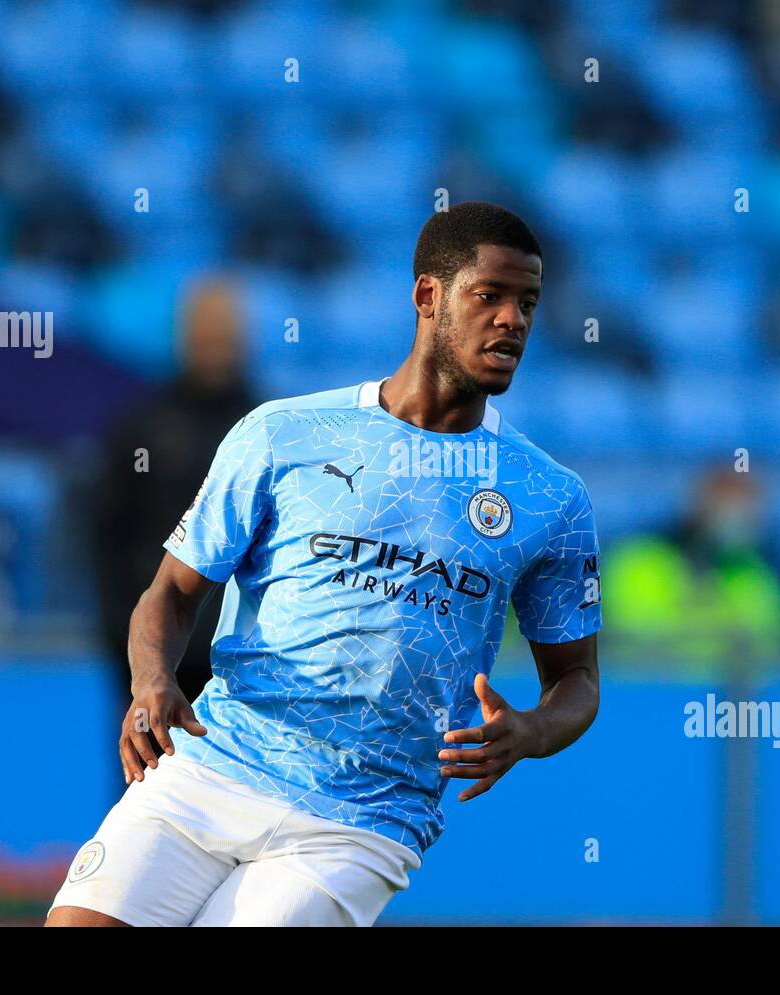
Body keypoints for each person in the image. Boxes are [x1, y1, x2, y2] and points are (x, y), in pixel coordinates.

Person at [47, 202, 602, 927]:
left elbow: (578, 680)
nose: (513, 320)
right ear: (428, 297)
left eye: (527, 302)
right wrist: (152, 680)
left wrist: (528, 732)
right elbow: (171, 593)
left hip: (362, 818)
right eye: (489, 296)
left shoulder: (548, 497)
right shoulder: (284, 434)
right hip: (216, 760)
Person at [92, 277, 258, 706]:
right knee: (149, 771)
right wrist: (122, 633)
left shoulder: (269, 428)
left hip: (237, 659)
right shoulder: (143, 425)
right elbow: (107, 532)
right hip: (155, 649)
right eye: (207, 334)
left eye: (226, 335)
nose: (216, 346)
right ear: (184, 337)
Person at [603, 470, 780, 661]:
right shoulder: (639, 560)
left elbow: (768, 646)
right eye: (726, 507)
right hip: (648, 686)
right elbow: (637, 639)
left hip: (724, 688)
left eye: (748, 511)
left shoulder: (754, 575)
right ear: (697, 506)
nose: (736, 519)